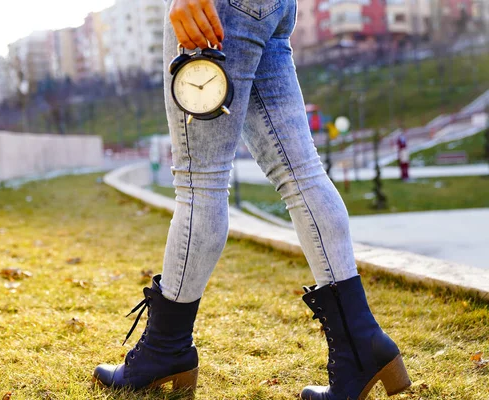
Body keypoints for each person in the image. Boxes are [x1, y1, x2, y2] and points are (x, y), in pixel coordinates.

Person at [93, 0, 411, 398]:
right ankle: (361, 343)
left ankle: (164, 350)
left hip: (217, 10)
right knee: (301, 173)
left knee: (200, 183)